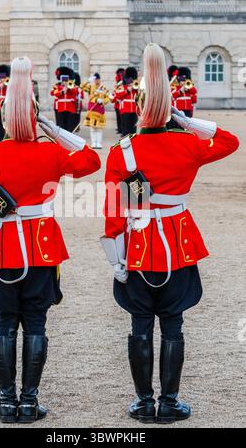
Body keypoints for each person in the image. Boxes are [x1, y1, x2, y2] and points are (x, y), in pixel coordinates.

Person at [0, 56, 101, 424]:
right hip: (41, 247)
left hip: (1, 251)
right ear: (34, 117)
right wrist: (51, 129)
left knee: (4, 324)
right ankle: (29, 401)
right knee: (35, 323)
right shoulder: (51, 152)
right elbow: (89, 160)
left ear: (4, 117)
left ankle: (7, 402)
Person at [101, 43, 239, 424]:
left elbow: (114, 213)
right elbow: (229, 141)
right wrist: (188, 121)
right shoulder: (187, 144)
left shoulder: (122, 151)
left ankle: (144, 402)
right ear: (167, 109)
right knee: (174, 324)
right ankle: (170, 402)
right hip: (177, 245)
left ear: (139, 105)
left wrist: (117, 261)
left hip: (139, 247)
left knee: (140, 324)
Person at [82, 73, 110, 149]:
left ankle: (99, 142)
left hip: (100, 110)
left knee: (99, 128)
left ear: (100, 79)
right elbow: (82, 87)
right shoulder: (90, 87)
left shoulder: (103, 88)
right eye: (95, 79)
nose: (97, 81)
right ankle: (94, 142)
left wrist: (103, 101)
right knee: (93, 127)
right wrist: (88, 81)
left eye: (98, 79)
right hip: (92, 110)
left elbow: (108, 98)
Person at [50, 67, 78, 132]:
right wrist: (62, 90)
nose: (64, 80)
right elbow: (54, 93)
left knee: (70, 125)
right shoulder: (57, 85)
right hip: (61, 108)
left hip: (70, 108)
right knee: (61, 125)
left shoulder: (71, 85)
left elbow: (75, 92)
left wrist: (68, 87)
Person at [115, 67, 139, 137]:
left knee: (134, 129)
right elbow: (118, 95)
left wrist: (136, 89)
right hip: (125, 110)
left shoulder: (136, 85)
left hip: (134, 110)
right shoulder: (122, 86)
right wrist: (127, 90)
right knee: (126, 129)